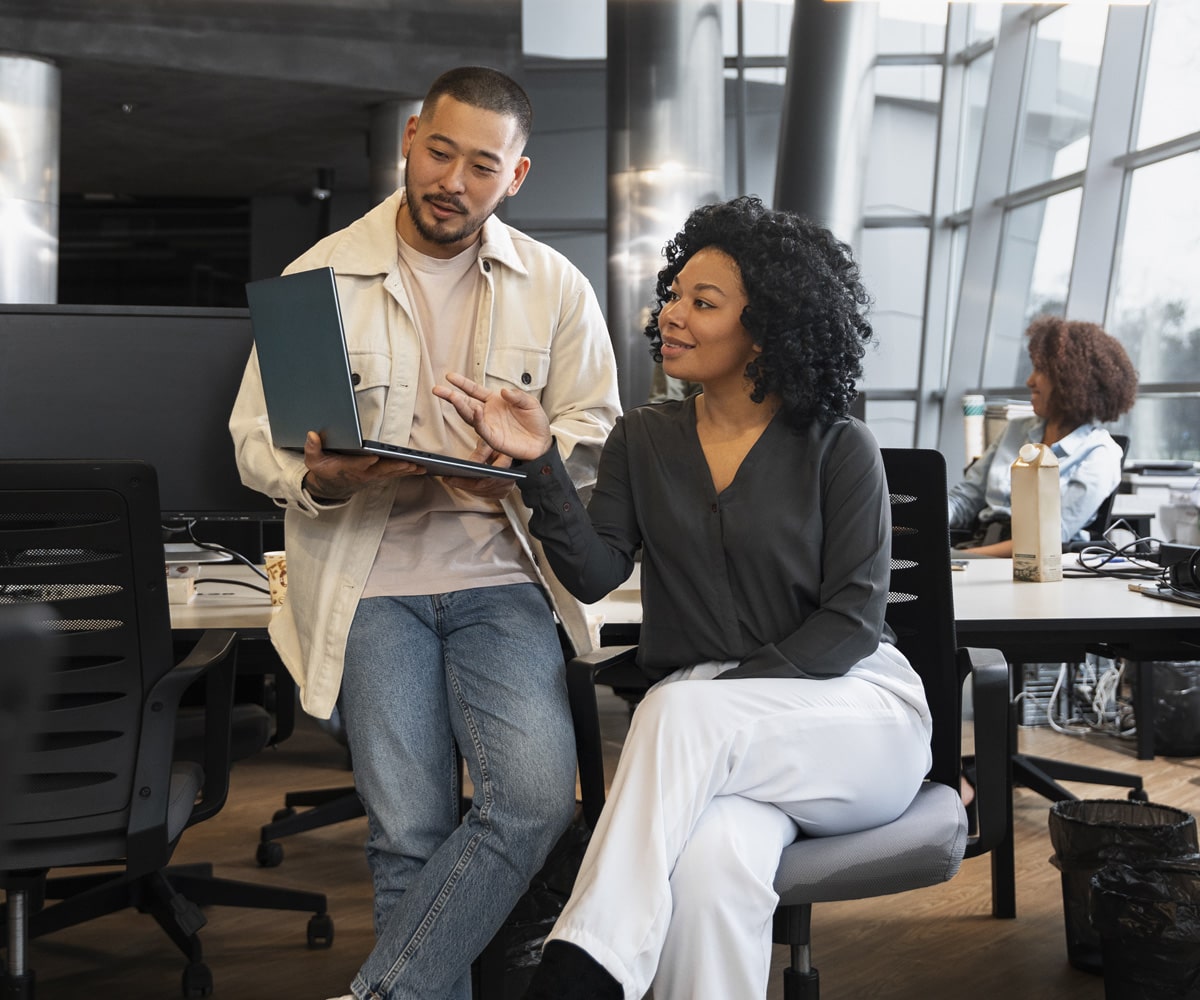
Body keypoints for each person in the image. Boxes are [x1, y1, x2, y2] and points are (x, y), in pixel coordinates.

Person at [434, 195, 934, 1000]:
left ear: (765, 329)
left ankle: (581, 970)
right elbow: (596, 573)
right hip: (711, 746)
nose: (672, 314)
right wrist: (537, 465)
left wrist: (705, 704)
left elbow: (849, 626)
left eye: (704, 303)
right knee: (709, 874)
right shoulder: (644, 437)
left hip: (854, 720)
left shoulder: (839, 446)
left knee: (675, 708)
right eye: (674, 294)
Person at [229, 66, 621, 1000]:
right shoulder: (316, 278)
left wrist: (527, 453)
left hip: (503, 575)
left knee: (530, 804)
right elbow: (252, 440)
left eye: (482, 166)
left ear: (515, 177)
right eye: (440, 152)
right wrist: (320, 476)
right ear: (411, 137)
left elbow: (597, 432)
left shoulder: (555, 286)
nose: (453, 180)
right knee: (406, 833)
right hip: (369, 585)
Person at [948, 316, 1138, 557]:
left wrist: (959, 558)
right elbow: (966, 499)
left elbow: (1048, 536)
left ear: (1072, 380)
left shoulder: (1100, 453)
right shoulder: (1015, 430)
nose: (1030, 381)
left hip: (1030, 563)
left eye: (1041, 370)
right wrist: (920, 517)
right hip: (977, 549)